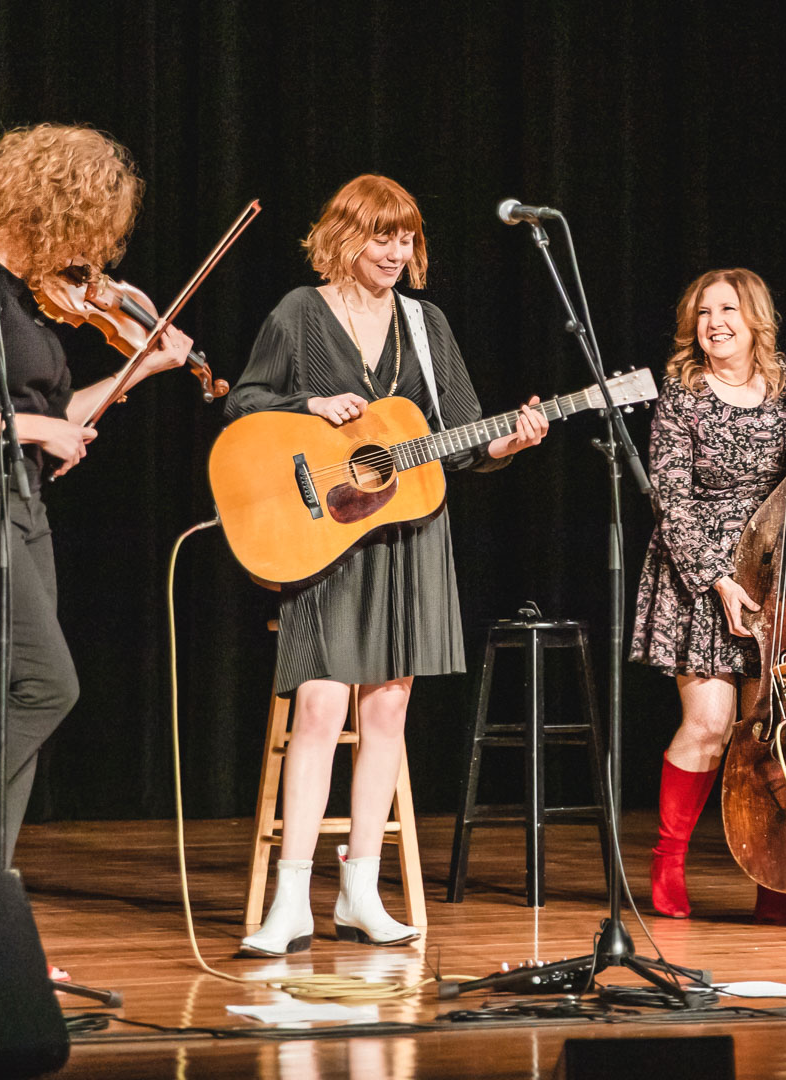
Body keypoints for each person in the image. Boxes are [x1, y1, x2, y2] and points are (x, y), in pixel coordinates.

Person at [230, 174, 547, 956]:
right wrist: (308, 407)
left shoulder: (424, 324)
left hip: (408, 536)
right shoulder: (300, 313)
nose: (397, 252)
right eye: (383, 237)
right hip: (324, 539)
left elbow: (462, 437)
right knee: (319, 707)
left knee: (388, 711)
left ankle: (361, 891)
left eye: (406, 239)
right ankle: (291, 899)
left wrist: (506, 443)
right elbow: (244, 403)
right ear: (345, 236)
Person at [0, 123, 193, 879]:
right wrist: (44, 429)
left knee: (24, 694)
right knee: (48, 686)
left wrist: (143, 369)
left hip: (21, 506)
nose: (92, 252)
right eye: (88, 227)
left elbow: (58, 417)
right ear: (55, 210)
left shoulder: (17, 298)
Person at [629, 268, 786, 924]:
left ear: (755, 320)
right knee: (711, 726)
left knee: (770, 732)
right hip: (702, 573)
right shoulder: (681, 394)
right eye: (704, 312)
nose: (715, 323)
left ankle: (774, 874)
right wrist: (718, 578)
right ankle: (668, 859)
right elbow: (669, 496)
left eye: (728, 310)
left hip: (776, 568)